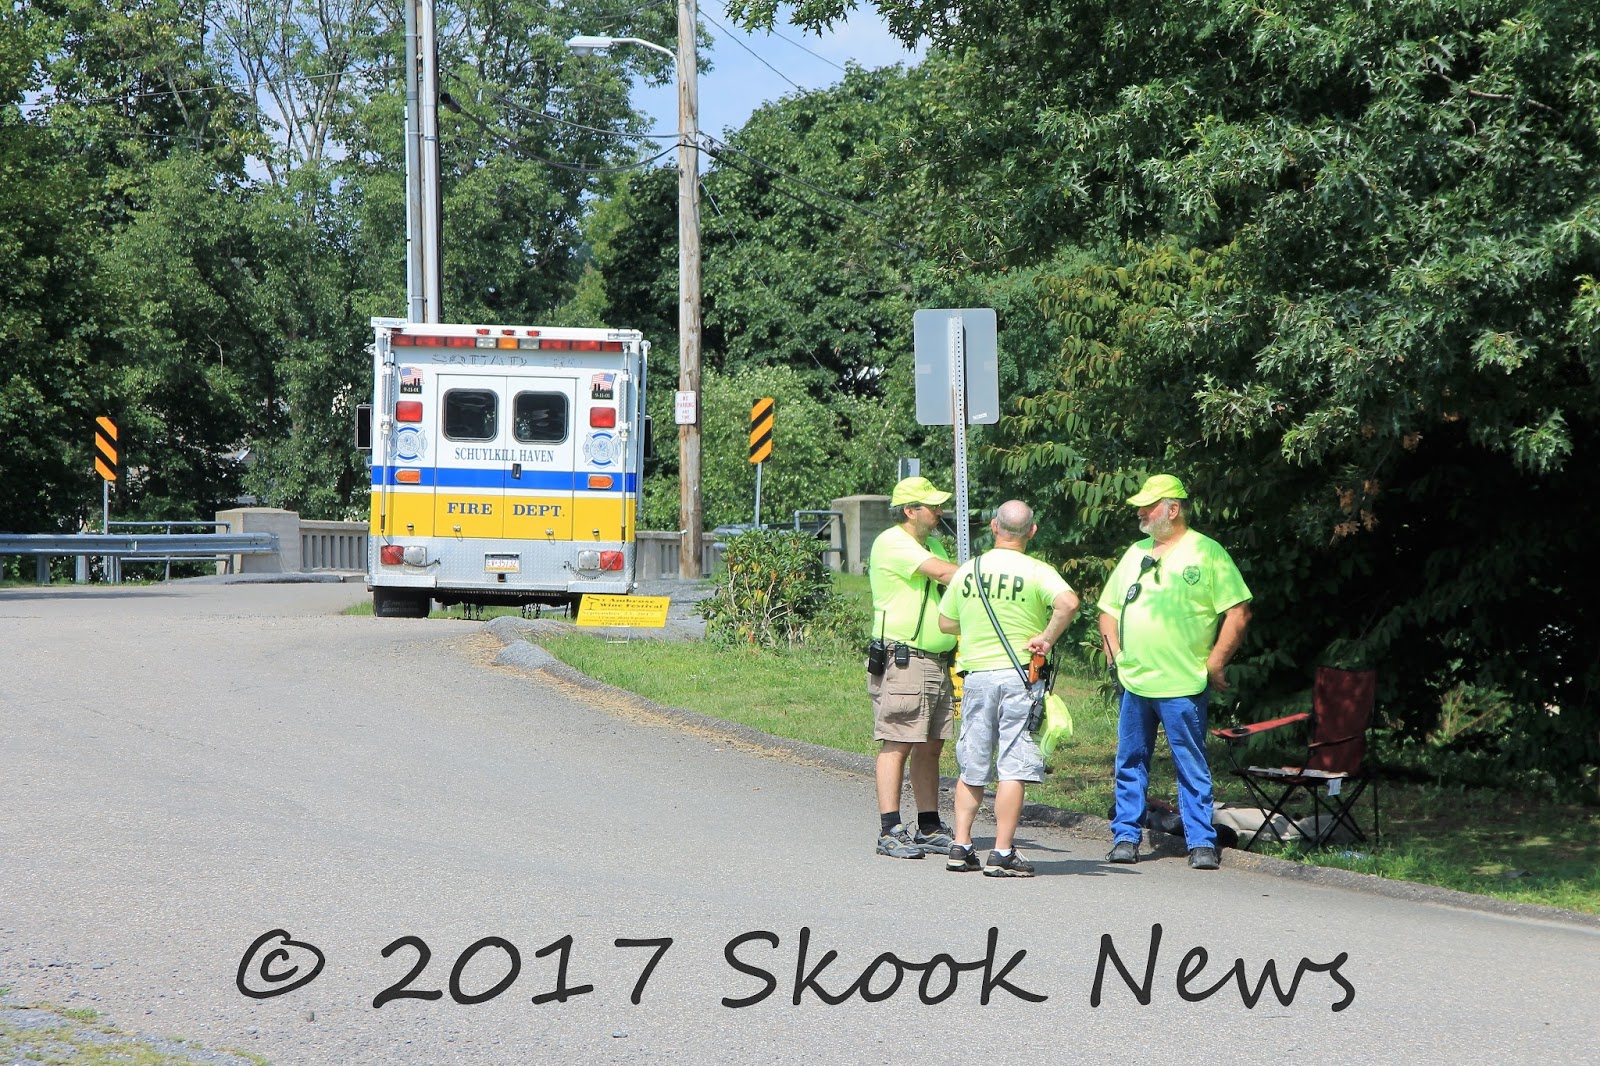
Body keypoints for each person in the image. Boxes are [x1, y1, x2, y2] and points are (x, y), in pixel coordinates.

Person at [1097, 474, 1252, 871]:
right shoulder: (1135, 552)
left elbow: (1238, 611)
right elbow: (1107, 609)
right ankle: (1126, 836)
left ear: (1173, 509)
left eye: (1149, 506)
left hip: (1183, 683)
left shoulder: (1207, 552)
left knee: (1190, 762)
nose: (1141, 513)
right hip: (1136, 682)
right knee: (1129, 759)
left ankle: (1201, 842)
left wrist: (1216, 662)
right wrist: (1114, 654)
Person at [937, 501, 1079, 877]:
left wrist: (977, 624)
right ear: (1032, 532)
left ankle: (961, 844)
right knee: (1013, 763)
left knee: (973, 762)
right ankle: (1001, 852)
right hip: (1021, 676)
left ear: (993, 526)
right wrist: (1046, 638)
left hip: (977, 674)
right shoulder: (1037, 571)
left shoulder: (970, 570)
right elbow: (1068, 603)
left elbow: (945, 622)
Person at [867, 476, 961, 859]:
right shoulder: (893, 542)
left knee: (932, 744)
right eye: (932, 506)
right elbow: (945, 574)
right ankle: (890, 829)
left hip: (936, 659)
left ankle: (928, 825)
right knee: (899, 740)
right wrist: (988, 572)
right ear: (910, 511)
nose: (939, 511)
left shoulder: (932, 542)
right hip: (904, 657)